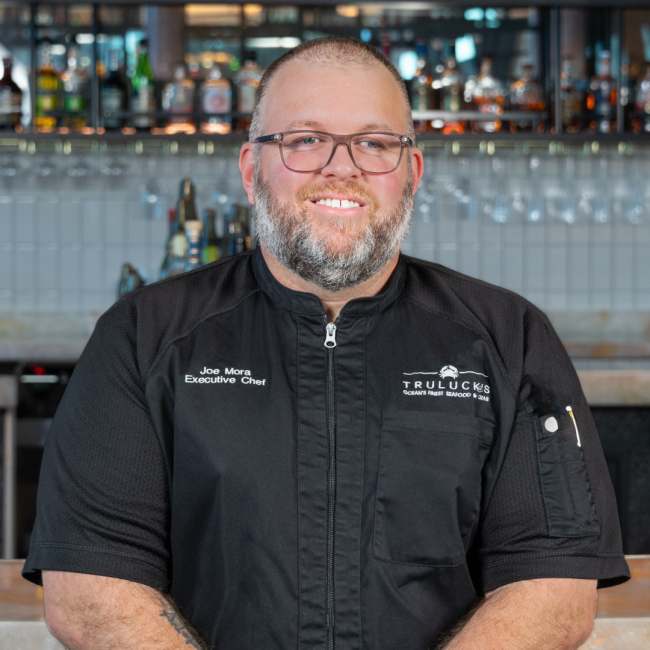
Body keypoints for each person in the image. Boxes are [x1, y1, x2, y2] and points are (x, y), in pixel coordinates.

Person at [24, 37, 628, 650]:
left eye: (374, 143)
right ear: (251, 169)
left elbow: (556, 583)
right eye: (305, 140)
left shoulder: (510, 338)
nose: (342, 168)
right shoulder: (142, 337)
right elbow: (86, 585)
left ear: (411, 173)